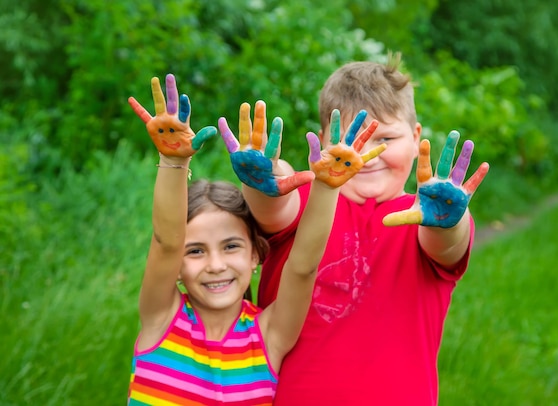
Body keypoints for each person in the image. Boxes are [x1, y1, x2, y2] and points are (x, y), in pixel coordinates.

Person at [219, 56, 490, 405]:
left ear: (416, 136)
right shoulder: (308, 203)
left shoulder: (422, 217)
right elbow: (274, 202)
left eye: (387, 138)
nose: (367, 157)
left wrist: (450, 222)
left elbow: (448, 245)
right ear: (320, 141)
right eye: (351, 141)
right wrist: (264, 177)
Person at [125, 74, 385, 405]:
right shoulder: (161, 317)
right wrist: (174, 160)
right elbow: (167, 241)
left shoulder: (268, 335)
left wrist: (326, 187)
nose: (216, 265)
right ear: (176, 266)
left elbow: (303, 267)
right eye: (195, 251)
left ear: (255, 255)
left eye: (231, 246)